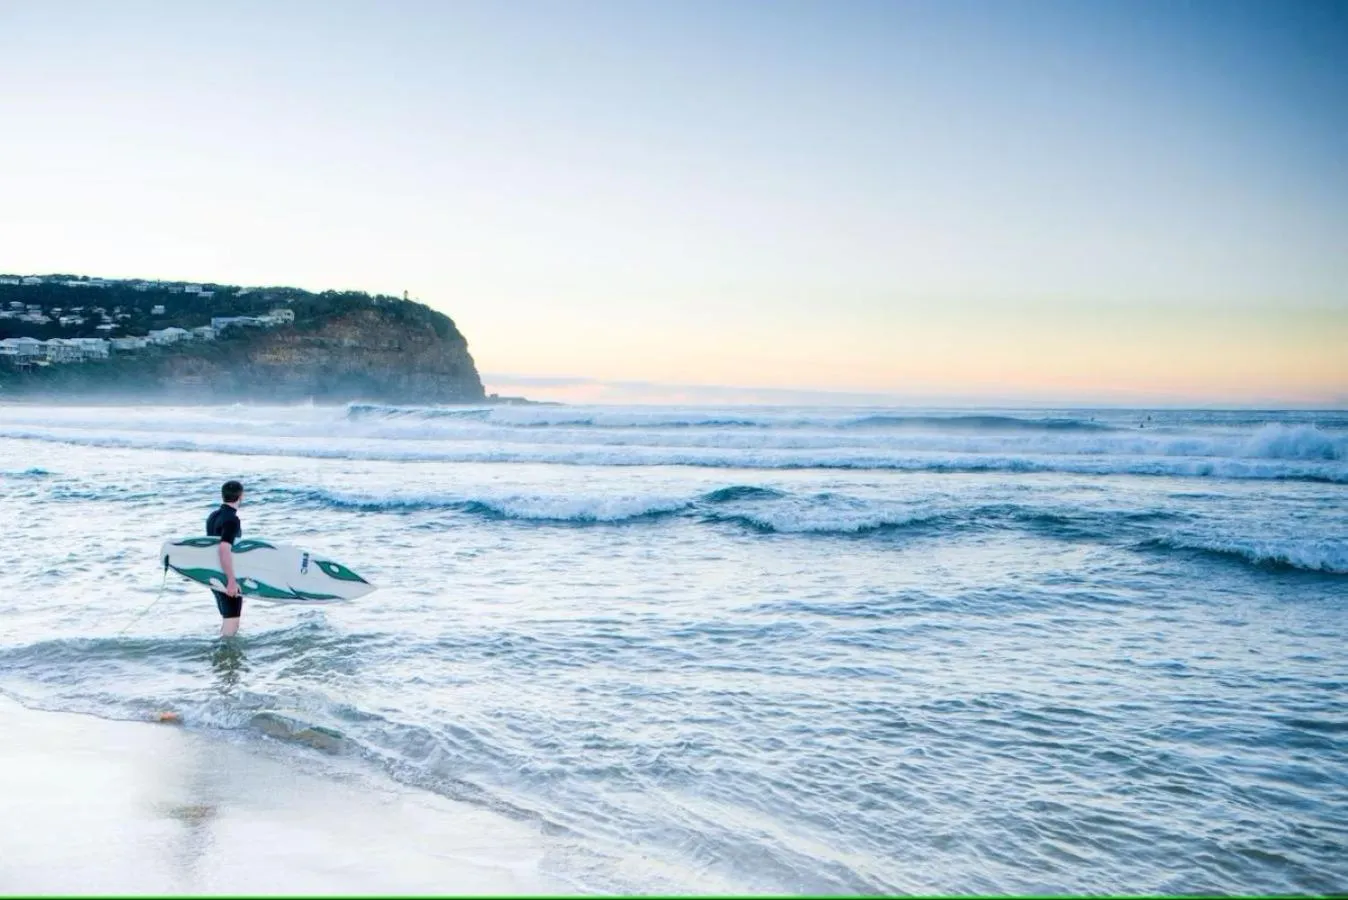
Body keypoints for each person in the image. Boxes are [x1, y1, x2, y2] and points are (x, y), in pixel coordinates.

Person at [206, 480, 245, 637]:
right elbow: (223, 548)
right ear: (241, 496)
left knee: (227, 619)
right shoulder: (232, 520)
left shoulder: (213, 516)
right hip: (225, 575)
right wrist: (231, 580)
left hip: (214, 572)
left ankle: (221, 657)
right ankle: (225, 659)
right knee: (232, 623)